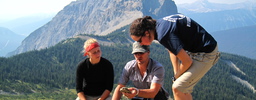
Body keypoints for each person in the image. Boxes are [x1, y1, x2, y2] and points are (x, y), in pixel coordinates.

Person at [129, 14, 220, 100]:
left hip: (206, 53)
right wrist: (176, 73)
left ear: (146, 33)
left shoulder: (163, 34)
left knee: (178, 87)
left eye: (139, 40)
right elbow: (172, 50)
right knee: (181, 86)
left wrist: (177, 77)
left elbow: (187, 61)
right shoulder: (159, 25)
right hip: (197, 49)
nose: (140, 44)